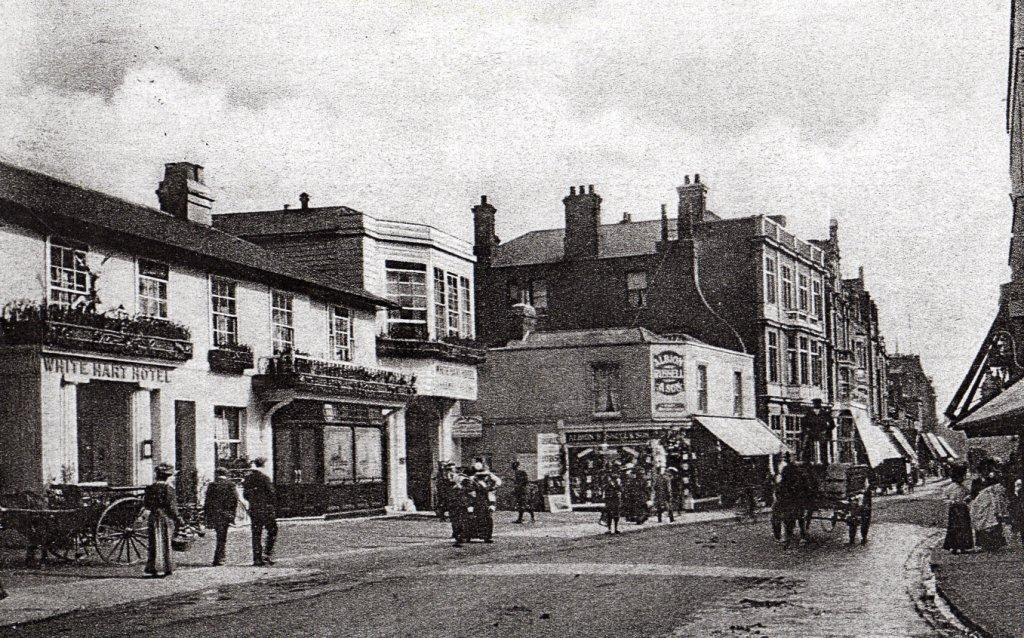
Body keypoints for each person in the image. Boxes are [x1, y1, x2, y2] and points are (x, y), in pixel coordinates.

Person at [143, 463, 184, 577]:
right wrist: (180, 520)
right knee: (166, 542)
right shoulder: (169, 489)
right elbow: (172, 507)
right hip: (165, 518)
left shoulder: (150, 488)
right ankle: (167, 568)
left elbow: (146, 504)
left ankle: (153, 568)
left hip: (153, 517)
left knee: (153, 543)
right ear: (168, 476)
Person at [242, 457, 278, 566]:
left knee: (256, 533)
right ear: (264, 465)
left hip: (254, 509)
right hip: (266, 509)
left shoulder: (248, 478)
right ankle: (267, 554)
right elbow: (272, 494)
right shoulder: (265, 478)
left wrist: (253, 502)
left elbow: (245, 495)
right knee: (273, 530)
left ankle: (257, 558)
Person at [204, 467, 239, 566]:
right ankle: (220, 558)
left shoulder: (212, 485)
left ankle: (218, 558)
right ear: (226, 474)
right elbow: (235, 500)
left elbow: (207, 502)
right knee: (222, 536)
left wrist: (206, 516)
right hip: (225, 514)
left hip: (214, 514)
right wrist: (232, 514)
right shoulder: (230, 485)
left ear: (216, 474)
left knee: (219, 535)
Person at [971, 471, 1009, 552]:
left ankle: (995, 544)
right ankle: (988, 545)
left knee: (992, 527)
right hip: (985, 513)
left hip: (990, 513)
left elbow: (998, 503)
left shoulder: (993, 492)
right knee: (988, 527)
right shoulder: (986, 493)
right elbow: (980, 505)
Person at [942, 464, 974, 554]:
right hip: (954, 509)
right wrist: (951, 501)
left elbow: (969, 495)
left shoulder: (964, 488)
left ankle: (963, 546)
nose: (961, 479)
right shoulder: (951, 487)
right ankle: (954, 546)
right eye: (960, 477)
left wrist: (967, 499)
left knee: (964, 527)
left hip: (963, 509)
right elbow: (945, 498)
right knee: (954, 528)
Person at [470, 461, 502, 543]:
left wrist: (493, 488)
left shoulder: (488, 480)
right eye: (480, 476)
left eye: (483, 475)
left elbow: (498, 482)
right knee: (477, 518)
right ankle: (478, 535)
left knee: (487, 519)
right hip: (478, 502)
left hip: (485, 501)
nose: (482, 477)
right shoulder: (473, 480)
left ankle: (486, 536)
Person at [800, 399, 835, 464]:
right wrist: (807, 429)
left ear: (820, 404)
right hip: (812, 433)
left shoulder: (825, 413)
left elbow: (832, 424)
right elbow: (803, 424)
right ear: (813, 404)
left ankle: (824, 461)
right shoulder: (809, 413)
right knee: (808, 445)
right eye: (815, 403)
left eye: (818, 403)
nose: (816, 405)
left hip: (822, 433)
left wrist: (826, 430)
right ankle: (808, 461)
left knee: (823, 447)